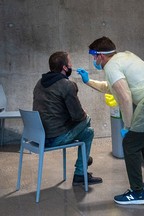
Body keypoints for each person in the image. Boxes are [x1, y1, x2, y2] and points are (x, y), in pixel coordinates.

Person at [77, 36, 144, 205]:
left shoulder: (111, 66)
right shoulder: (124, 57)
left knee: (130, 144)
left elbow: (125, 97)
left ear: (100, 56)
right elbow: (111, 87)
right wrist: (89, 81)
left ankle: (137, 193)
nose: (94, 60)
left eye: (94, 57)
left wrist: (129, 126)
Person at [33, 51, 102, 186]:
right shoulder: (67, 85)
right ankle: (84, 160)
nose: (72, 65)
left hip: (39, 137)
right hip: (55, 138)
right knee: (86, 118)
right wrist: (83, 114)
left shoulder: (39, 83)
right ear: (65, 67)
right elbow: (77, 116)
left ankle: (80, 174)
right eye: (70, 62)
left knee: (89, 132)